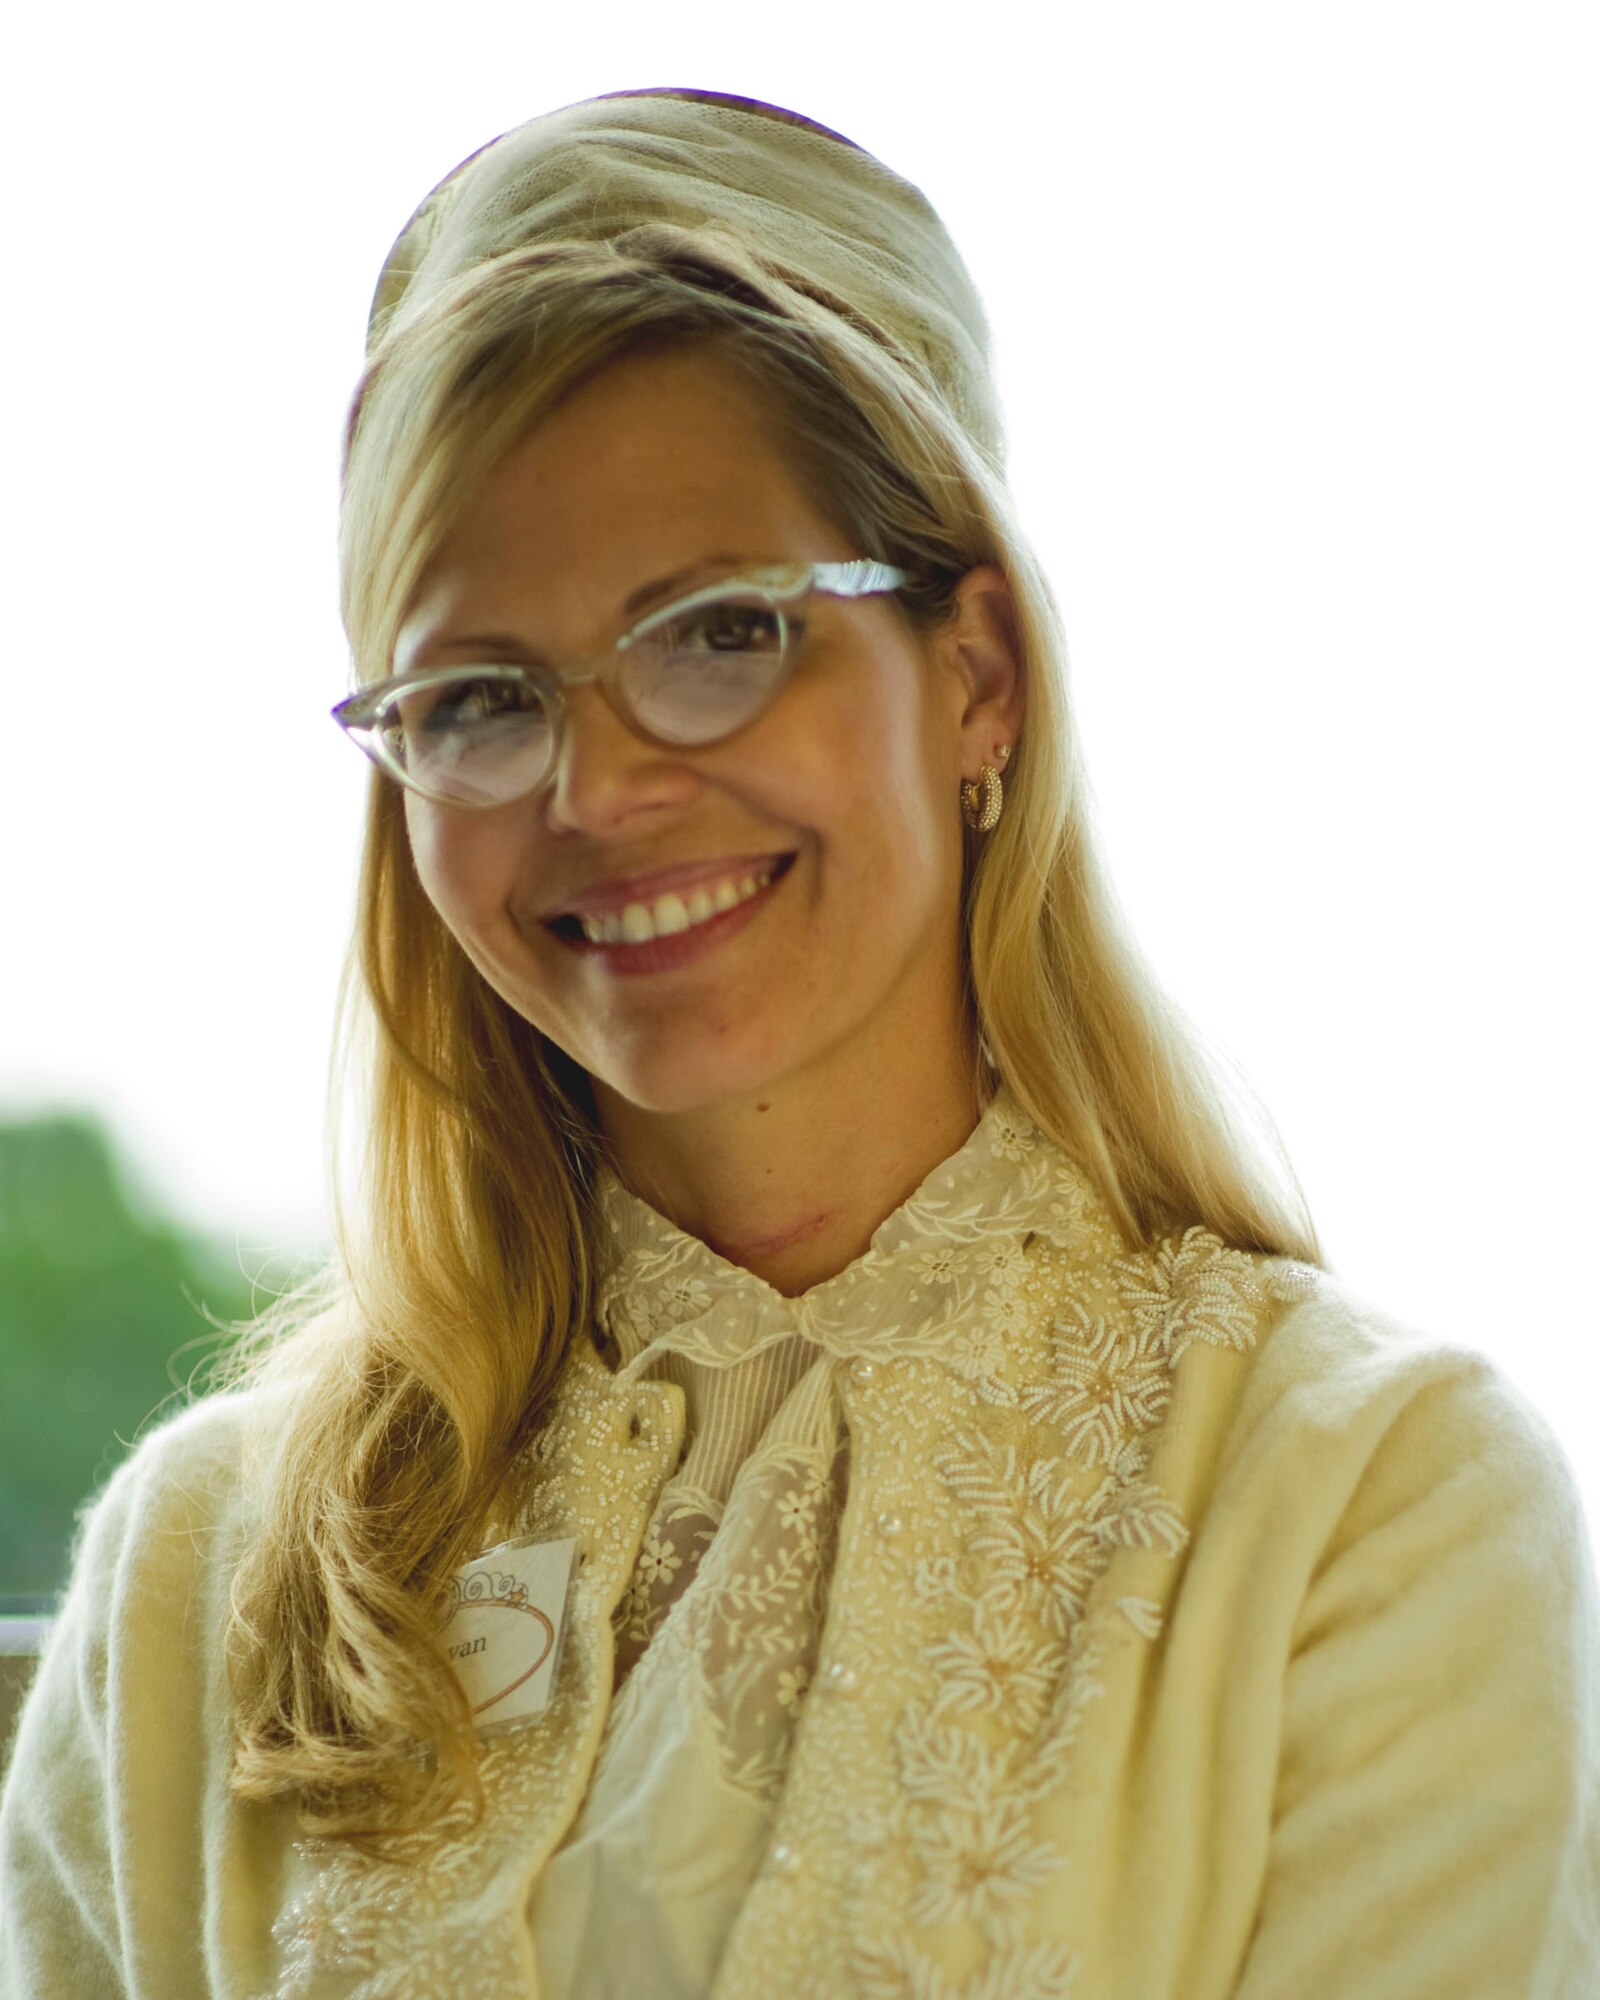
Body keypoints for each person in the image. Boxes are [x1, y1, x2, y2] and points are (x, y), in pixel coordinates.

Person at [1, 86, 1596, 2000]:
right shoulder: (199, 1575)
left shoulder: (1367, 1505)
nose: (597, 790)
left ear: (977, 675)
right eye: (481, 696)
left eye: (720, 633)